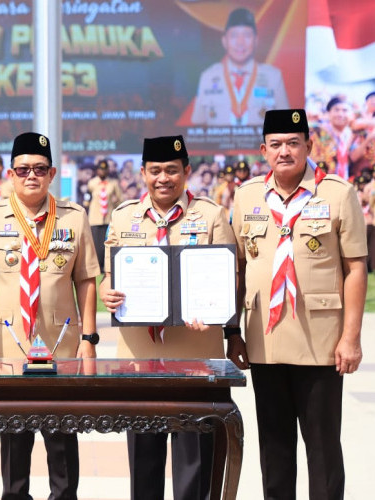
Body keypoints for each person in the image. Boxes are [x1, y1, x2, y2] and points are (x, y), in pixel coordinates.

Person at [230, 109, 367, 499]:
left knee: (322, 451)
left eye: (293, 143)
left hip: (321, 343)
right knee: (274, 451)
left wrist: (351, 338)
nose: (285, 151)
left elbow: (356, 267)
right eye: (276, 144)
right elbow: (237, 270)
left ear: (308, 146)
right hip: (265, 341)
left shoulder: (337, 193)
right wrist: (232, 332)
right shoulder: (247, 196)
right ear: (263, 150)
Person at [99, 135, 236, 500]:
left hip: (196, 355)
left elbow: (230, 277)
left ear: (187, 172)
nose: (164, 178)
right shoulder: (123, 216)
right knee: (144, 458)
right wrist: (106, 292)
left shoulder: (211, 215)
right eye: (156, 170)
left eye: (172, 170)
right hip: (138, 357)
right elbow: (109, 275)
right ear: (143, 173)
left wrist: (216, 309)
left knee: (195, 460)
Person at [0, 132, 99, 500]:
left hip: (61, 345)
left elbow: (87, 279)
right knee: (13, 437)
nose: (31, 176)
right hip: (8, 344)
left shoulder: (74, 217)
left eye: (39, 169)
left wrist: (89, 340)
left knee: (61, 439)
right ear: (10, 174)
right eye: (23, 169)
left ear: (52, 173)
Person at [191, 7, 288, 126]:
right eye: (234, 35)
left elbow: (285, 125)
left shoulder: (273, 77)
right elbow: (197, 125)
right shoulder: (208, 77)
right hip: (218, 143)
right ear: (224, 41)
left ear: (256, 40)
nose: (240, 42)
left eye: (247, 35)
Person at [87, 158, 123, 269]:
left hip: (108, 218)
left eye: (105, 169)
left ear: (108, 170)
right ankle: (97, 266)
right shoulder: (92, 183)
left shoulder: (113, 183)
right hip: (95, 218)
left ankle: (107, 266)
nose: (102, 172)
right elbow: (87, 197)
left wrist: (115, 201)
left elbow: (120, 199)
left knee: (108, 242)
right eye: (100, 169)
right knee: (96, 244)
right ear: (97, 170)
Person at [310, 96, 354, 179]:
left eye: (345, 110)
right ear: (328, 113)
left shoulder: (350, 133)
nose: (340, 114)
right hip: (321, 181)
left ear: (351, 114)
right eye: (336, 110)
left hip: (344, 182)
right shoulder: (320, 132)